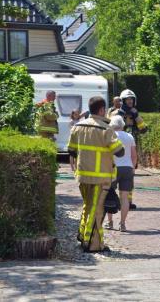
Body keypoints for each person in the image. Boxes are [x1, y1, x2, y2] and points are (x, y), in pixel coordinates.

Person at [68, 96, 125, 253]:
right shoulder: (105, 129)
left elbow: (71, 150)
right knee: (97, 210)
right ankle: (91, 244)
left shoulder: (77, 126)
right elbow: (120, 152)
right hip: (100, 178)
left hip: (82, 176)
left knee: (88, 207)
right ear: (101, 110)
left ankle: (86, 237)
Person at [104, 115, 137, 232]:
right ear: (122, 125)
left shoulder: (110, 136)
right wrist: (133, 168)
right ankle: (122, 224)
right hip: (127, 168)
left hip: (113, 169)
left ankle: (110, 222)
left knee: (110, 195)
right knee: (124, 198)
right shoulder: (129, 136)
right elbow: (134, 155)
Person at [118, 89, 146, 210]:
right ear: (123, 101)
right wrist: (120, 115)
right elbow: (110, 127)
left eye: (131, 99)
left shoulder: (135, 113)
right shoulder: (116, 113)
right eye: (127, 100)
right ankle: (116, 201)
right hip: (118, 148)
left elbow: (144, 129)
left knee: (129, 177)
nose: (129, 101)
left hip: (131, 148)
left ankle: (128, 202)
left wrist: (137, 116)